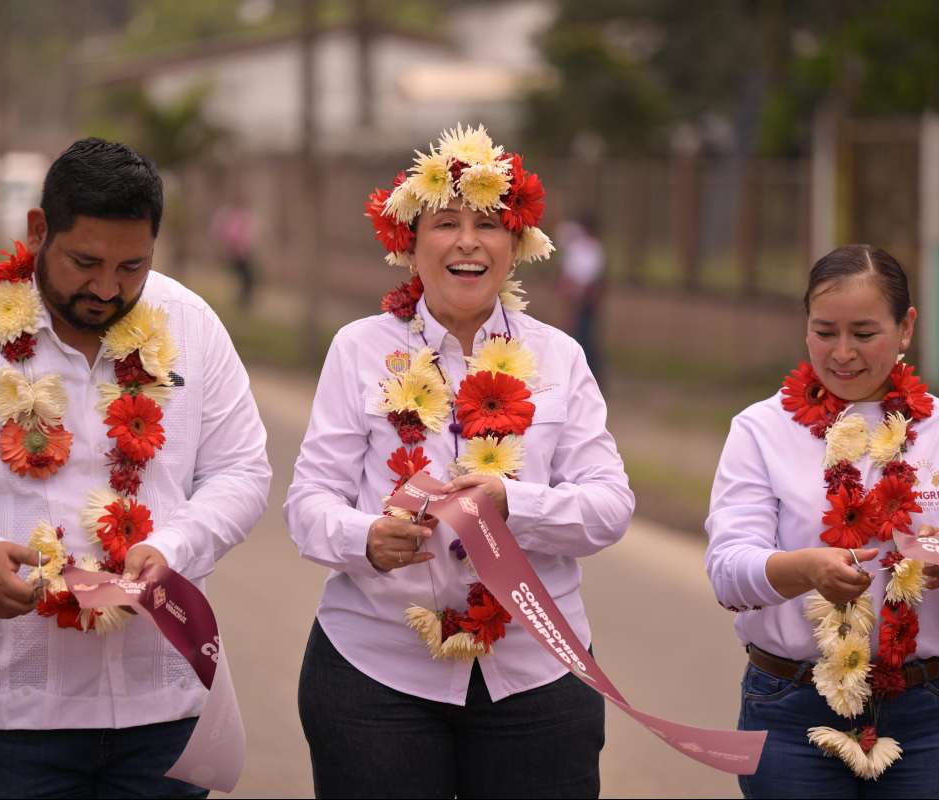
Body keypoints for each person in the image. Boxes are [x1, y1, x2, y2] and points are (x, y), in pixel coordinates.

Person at [0, 138, 272, 799]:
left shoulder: (192, 326)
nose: (107, 288)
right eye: (86, 262)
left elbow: (242, 470)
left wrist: (173, 549)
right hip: (17, 715)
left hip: (164, 706)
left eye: (131, 266)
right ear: (37, 230)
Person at [284, 124, 634, 799]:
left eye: (490, 224)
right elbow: (307, 507)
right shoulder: (357, 350)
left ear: (517, 246)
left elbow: (610, 506)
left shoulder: (559, 357)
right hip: (375, 676)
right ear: (409, 243)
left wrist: (514, 504)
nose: (469, 240)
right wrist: (368, 539)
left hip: (538, 674)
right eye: (446, 222)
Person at [705, 244, 939, 798]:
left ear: (906, 328)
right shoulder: (760, 429)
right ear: (805, 329)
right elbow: (728, 572)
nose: (842, 353)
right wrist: (806, 569)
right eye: (825, 331)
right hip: (789, 711)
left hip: (924, 716)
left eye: (864, 333)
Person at [557, 212, 605, 385]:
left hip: (584, 301)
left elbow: (588, 278)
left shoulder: (591, 249)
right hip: (576, 299)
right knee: (578, 338)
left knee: (585, 340)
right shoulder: (580, 248)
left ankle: (591, 378)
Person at [209, 185, 259, 312]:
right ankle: (243, 300)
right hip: (237, 253)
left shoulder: (242, 215)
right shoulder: (232, 215)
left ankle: (244, 299)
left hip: (244, 252)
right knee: (246, 276)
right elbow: (230, 235)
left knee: (249, 276)